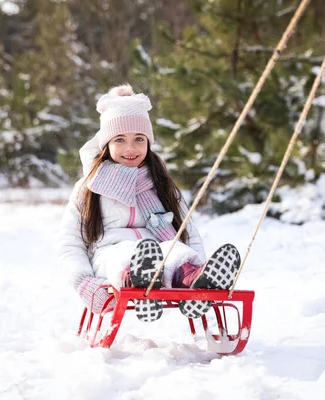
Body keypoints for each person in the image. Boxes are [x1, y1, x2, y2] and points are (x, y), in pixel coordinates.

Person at [58, 83, 241, 322]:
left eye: (139, 139)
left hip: (159, 251)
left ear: (148, 142)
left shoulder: (161, 185)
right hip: (108, 256)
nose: (131, 148)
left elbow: (188, 233)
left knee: (173, 250)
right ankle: (137, 277)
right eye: (120, 140)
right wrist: (83, 282)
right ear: (106, 144)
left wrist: (198, 261)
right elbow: (69, 244)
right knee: (124, 253)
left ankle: (194, 280)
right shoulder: (90, 187)